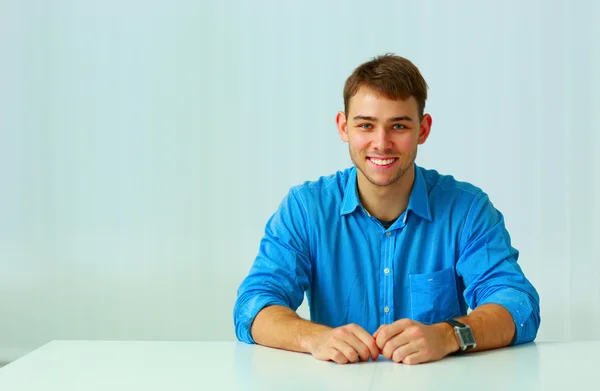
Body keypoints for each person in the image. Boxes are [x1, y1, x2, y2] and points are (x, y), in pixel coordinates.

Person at [233, 54, 540, 365]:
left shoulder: (467, 210)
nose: (381, 143)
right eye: (366, 125)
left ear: (422, 129)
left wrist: (449, 335)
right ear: (344, 127)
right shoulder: (306, 209)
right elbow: (253, 306)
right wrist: (315, 338)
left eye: (398, 126)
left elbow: (518, 305)